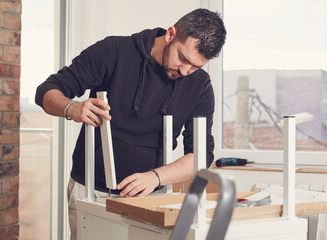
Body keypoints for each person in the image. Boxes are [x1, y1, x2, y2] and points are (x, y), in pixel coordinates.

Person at [35, 8, 226, 240]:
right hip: (91, 190)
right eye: (183, 58)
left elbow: (201, 155)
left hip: (152, 195)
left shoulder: (200, 84)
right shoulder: (114, 51)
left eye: (195, 66)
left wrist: (155, 177)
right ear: (170, 34)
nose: (185, 71)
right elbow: (46, 91)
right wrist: (72, 108)